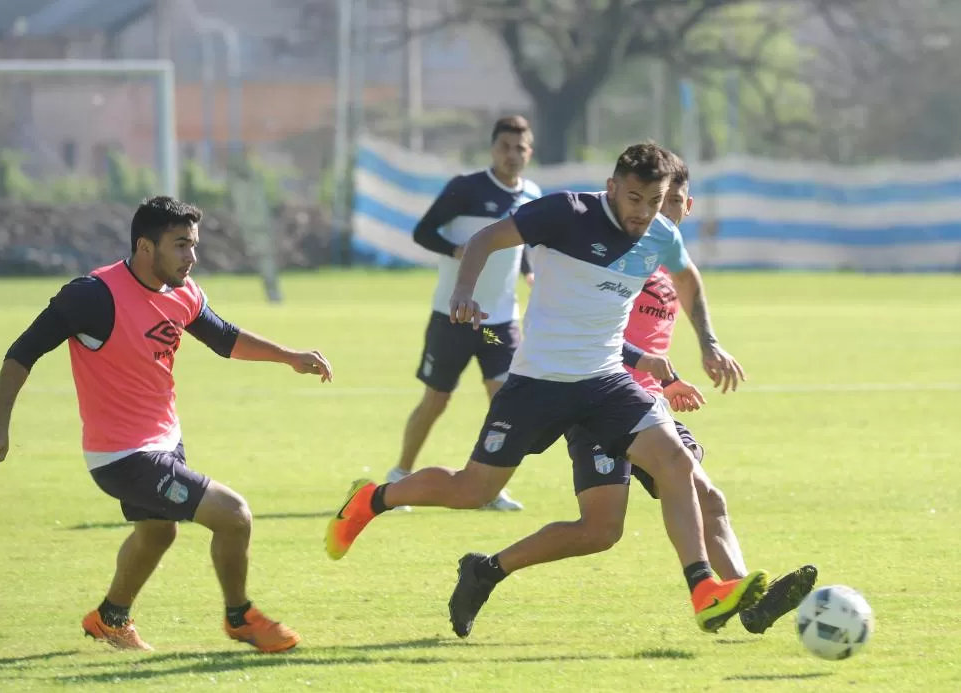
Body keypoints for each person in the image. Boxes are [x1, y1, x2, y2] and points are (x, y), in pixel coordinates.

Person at [325, 142, 768, 637]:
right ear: (613, 188)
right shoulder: (566, 211)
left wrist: (707, 341)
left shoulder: (661, 235)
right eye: (635, 198)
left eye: (654, 200)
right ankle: (373, 499)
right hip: (537, 383)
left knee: (674, 463)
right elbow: (485, 239)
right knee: (473, 490)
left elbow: (688, 279)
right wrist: (464, 291)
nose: (643, 212)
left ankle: (704, 588)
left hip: (606, 382)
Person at [0, 196, 333, 653]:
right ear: (145, 247)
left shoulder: (182, 292)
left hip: (165, 441)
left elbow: (224, 337)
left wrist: (290, 356)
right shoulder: (93, 295)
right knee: (234, 516)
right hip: (122, 456)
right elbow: (21, 352)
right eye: (180, 245)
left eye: (193, 245)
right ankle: (240, 618)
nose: (191, 257)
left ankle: (110, 618)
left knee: (157, 532)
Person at [562, 156, 817, 637]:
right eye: (654, 201)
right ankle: (491, 568)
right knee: (597, 532)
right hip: (600, 401)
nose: (663, 211)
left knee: (710, 498)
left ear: (685, 205)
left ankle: (747, 597)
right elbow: (586, 328)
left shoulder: (667, 261)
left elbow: (678, 308)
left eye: (671, 202)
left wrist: (696, 357)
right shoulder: (619, 256)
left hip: (649, 404)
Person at [385, 115, 541, 512]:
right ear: (493, 149)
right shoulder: (465, 189)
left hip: (498, 325)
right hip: (454, 319)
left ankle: (490, 487)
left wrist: (528, 272)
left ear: (530, 152)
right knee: (437, 399)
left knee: (505, 401)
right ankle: (400, 474)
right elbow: (423, 232)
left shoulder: (532, 196)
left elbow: (520, 244)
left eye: (519, 148)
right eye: (504, 146)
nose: (511, 155)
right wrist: (460, 252)